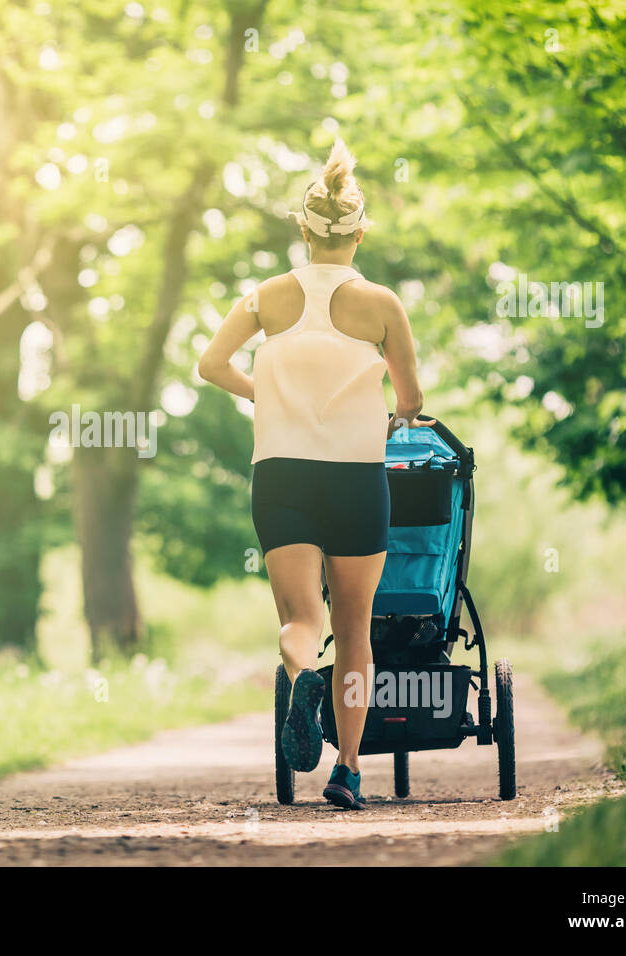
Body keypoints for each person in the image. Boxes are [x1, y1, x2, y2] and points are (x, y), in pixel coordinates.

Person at [197, 139, 433, 809]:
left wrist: (262, 394)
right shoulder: (382, 304)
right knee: (355, 630)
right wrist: (391, 408)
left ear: (302, 232)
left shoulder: (264, 298)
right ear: (360, 232)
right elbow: (411, 401)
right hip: (358, 477)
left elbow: (210, 365)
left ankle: (301, 674)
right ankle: (349, 767)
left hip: (281, 474)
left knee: (301, 618)